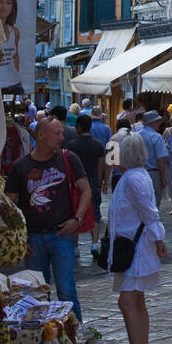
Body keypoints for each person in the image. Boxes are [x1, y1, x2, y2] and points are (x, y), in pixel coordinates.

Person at [5, 117, 91, 320]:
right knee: (36, 293)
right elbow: (8, 206)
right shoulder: (21, 166)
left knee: (67, 290)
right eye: (57, 133)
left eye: (62, 133)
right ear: (41, 135)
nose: (62, 137)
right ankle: (43, 340)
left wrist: (76, 220)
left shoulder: (68, 158)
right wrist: (17, 238)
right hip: (33, 238)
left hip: (61, 234)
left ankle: (75, 336)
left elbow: (86, 190)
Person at [105, 132, 167, 344]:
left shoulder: (133, 179)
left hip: (137, 250)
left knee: (128, 302)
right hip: (133, 247)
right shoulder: (132, 176)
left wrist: (158, 238)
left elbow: (149, 213)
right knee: (136, 301)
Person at [70, 113, 107, 263]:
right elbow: (100, 165)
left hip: (76, 184)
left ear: (78, 127)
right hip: (92, 182)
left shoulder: (71, 145)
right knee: (95, 213)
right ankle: (94, 243)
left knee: (76, 212)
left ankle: (75, 246)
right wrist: (100, 182)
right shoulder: (98, 145)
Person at [132, 109, 168, 209]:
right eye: (157, 121)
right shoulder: (157, 137)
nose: (159, 124)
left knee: (141, 202)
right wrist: (164, 178)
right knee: (154, 204)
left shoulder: (136, 135)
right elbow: (160, 160)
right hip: (153, 174)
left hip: (138, 173)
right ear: (152, 122)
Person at [0, 0, 23, 96]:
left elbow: (15, 56)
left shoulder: (14, 31)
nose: (3, 6)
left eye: (8, 3)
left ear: (13, 7)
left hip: (14, 84)